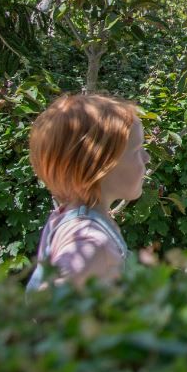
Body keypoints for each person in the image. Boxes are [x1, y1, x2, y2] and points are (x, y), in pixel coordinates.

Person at [26, 93, 148, 290]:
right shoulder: (92, 244)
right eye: (137, 150)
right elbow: (48, 309)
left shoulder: (68, 216)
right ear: (99, 166)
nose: (147, 158)